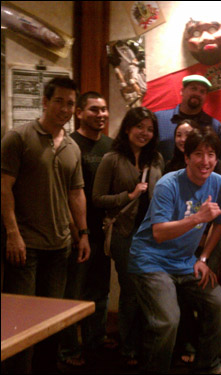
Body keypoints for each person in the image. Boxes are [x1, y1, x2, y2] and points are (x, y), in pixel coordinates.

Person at [127, 127, 221, 374]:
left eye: (211, 154)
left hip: (185, 261)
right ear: (186, 157)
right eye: (198, 153)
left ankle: (208, 365)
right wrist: (197, 217)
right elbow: (159, 232)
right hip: (150, 259)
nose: (205, 161)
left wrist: (204, 258)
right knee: (167, 320)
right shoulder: (168, 184)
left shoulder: (219, 184)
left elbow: (220, 222)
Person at [1, 76, 90, 373]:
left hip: (59, 247)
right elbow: (3, 188)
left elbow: (75, 194)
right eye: (59, 101)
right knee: (20, 323)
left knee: (51, 323)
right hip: (25, 247)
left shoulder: (72, 148)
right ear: (45, 102)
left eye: (70, 103)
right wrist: (12, 234)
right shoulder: (18, 137)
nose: (64, 108)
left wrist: (83, 234)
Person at [92, 107, 164, 367]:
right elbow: (98, 198)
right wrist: (129, 196)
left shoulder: (155, 159)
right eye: (139, 127)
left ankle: (145, 342)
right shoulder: (112, 158)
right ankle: (128, 345)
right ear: (127, 128)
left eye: (149, 128)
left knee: (149, 289)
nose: (144, 133)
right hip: (124, 233)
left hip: (152, 235)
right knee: (131, 289)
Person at [58, 91, 115, 367]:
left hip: (103, 232)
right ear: (79, 113)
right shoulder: (69, 145)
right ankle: (68, 349)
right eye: (94, 110)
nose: (101, 115)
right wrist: (77, 231)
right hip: (77, 232)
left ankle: (96, 338)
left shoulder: (111, 145)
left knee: (100, 290)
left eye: (104, 109)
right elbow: (65, 192)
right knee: (74, 291)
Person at [155, 74, 221, 175]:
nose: (197, 93)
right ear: (182, 91)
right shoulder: (159, 120)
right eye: (193, 88)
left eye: (202, 91)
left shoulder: (215, 127)